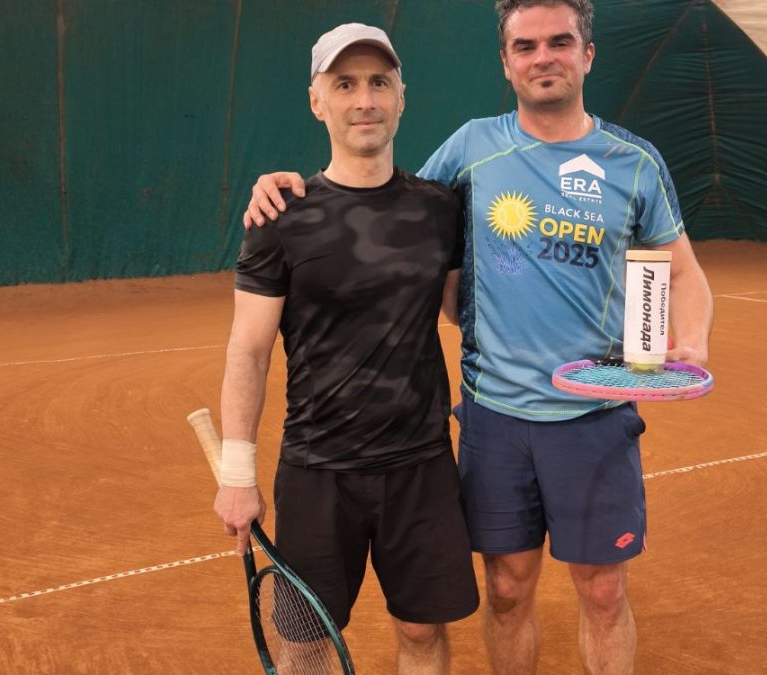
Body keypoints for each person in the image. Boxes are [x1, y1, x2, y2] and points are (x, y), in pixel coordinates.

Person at [242, 2, 714, 673]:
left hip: (596, 417)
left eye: (559, 42)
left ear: (588, 54)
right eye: (526, 46)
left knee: (605, 592)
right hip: (496, 420)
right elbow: (384, 197)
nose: (543, 57)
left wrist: (690, 341)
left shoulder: (634, 162)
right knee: (507, 589)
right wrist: (288, 189)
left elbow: (683, 271)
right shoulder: (472, 147)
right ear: (506, 62)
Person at [213, 23, 478, 675]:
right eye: (345, 84)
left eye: (379, 83)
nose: (364, 99)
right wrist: (238, 473)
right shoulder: (279, 217)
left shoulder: (441, 210)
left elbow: (465, 312)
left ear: (401, 98)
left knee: (421, 631)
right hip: (317, 473)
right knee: (306, 643)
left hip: (420, 465)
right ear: (317, 101)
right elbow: (248, 351)